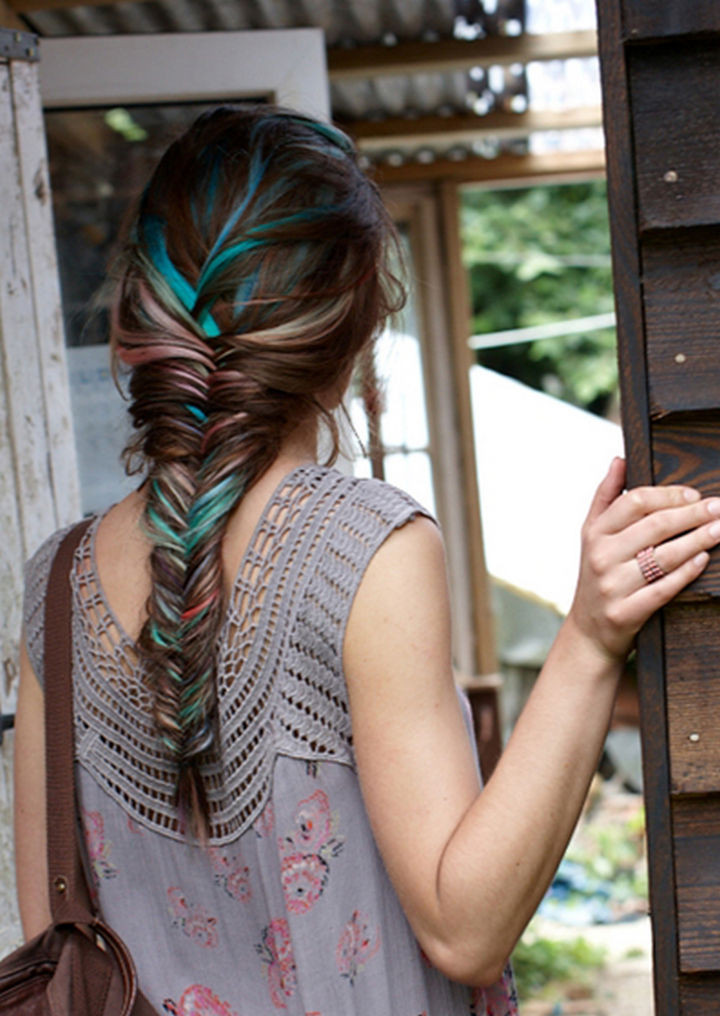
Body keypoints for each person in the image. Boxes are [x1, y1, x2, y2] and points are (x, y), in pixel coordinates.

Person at [13, 105, 720, 1016]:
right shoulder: (360, 550)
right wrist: (588, 639)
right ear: (351, 332)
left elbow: (54, 952)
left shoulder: (56, 587)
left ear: (139, 324)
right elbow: (465, 929)